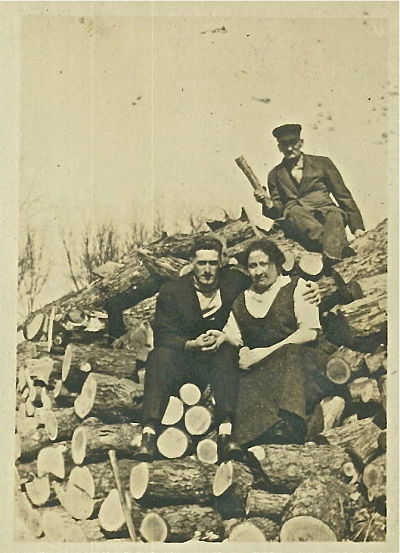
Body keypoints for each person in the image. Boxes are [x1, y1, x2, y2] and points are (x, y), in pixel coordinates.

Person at [134, 235, 321, 462]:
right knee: (159, 355)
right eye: (202, 263)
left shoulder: (233, 282)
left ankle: (225, 432)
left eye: (213, 263)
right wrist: (192, 344)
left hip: (221, 362)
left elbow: (276, 285)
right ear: (191, 263)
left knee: (227, 352)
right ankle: (149, 433)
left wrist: (313, 286)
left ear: (221, 263)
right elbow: (163, 335)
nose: (207, 270)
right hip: (184, 360)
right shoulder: (173, 291)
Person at [215, 239, 336, 448]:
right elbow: (233, 336)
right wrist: (229, 343)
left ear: (277, 264)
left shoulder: (298, 287)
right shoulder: (242, 300)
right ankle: (245, 439)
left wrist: (262, 354)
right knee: (244, 375)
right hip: (268, 369)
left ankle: (289, 425)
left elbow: (309, 332)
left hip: (305, 364)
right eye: (253, 266)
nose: (259, 271)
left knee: (290, 353)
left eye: (264, 264)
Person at [254, 123, 365, 264]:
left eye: (293, 143)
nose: (289, 148)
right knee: (294, 212)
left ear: (301, 142)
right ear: (279, 147)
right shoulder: (275, 174)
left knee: (335, 215)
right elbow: (277, 212)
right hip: (298, 220)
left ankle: (332, 258)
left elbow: (343, 196)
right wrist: (267, 202)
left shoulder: (322, 163)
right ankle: (337, 252)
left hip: (327, 212)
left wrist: (357, 228)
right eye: (284, 144)